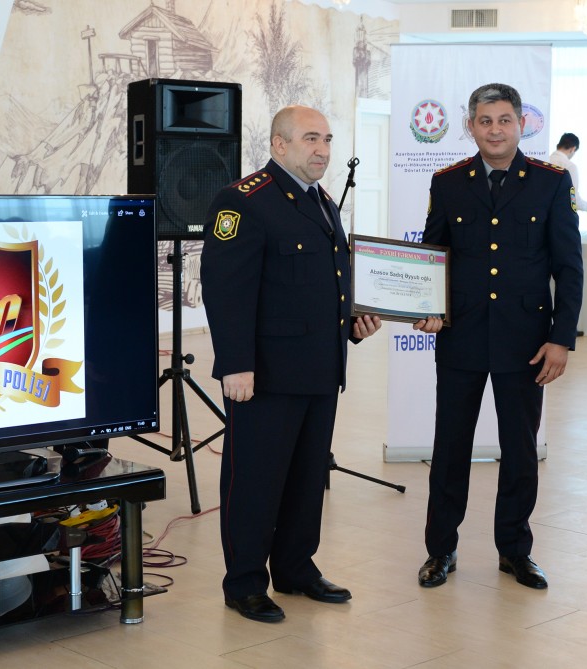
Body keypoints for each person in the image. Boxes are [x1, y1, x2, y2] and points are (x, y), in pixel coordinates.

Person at [200, 105, 381, 623]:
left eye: (327, 139)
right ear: (279, 144)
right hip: (266, 375)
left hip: (320, 367)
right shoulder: (243, 201)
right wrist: (235, 364)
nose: (322, 150)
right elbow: (226, 290)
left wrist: (352, 323)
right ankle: (245, 583)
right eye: (310, 139)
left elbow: (326, 283)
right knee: (255, 481)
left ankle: (296, 567)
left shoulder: (320, 199)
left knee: (306, 478)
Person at [412, 83, 583, 590]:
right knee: (450, 449)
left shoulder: (551, 183)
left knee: (521, 451)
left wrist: (561, 338)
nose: (495, 130)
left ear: (521, 124)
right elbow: (433, 256)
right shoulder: (448, 183)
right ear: (470, 126)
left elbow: (569, 269)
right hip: (461, 336)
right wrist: (428, 308)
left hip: (525, 341)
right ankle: (440, 550)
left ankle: (515, 550)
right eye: (485, 121)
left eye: (504, 120)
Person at [549, 132, 587, 214]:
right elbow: (573, 199)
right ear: (573, 149)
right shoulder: (569, 166)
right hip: (561, 215)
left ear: (558, 145)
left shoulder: (543, 161)